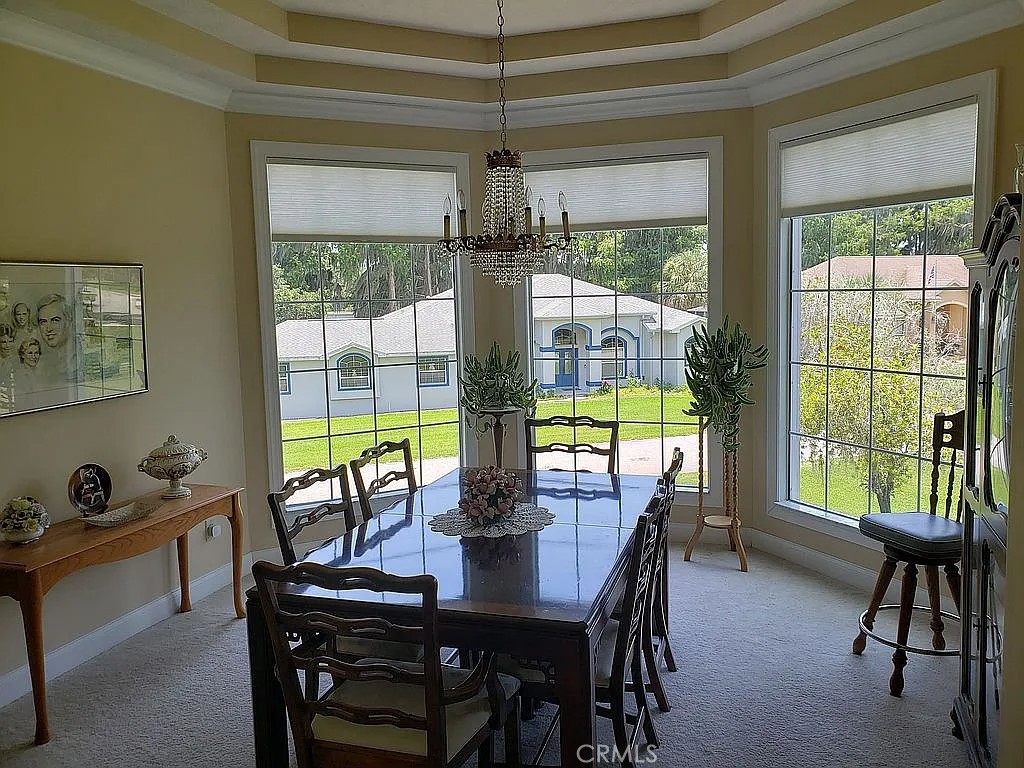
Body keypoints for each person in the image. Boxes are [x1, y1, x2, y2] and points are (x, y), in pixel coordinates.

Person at [35, 293, 80, 385]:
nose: (49, 328)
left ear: (68, 321)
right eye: (43, 322)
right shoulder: (40, 361)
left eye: (55, 320)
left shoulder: (79, 356)